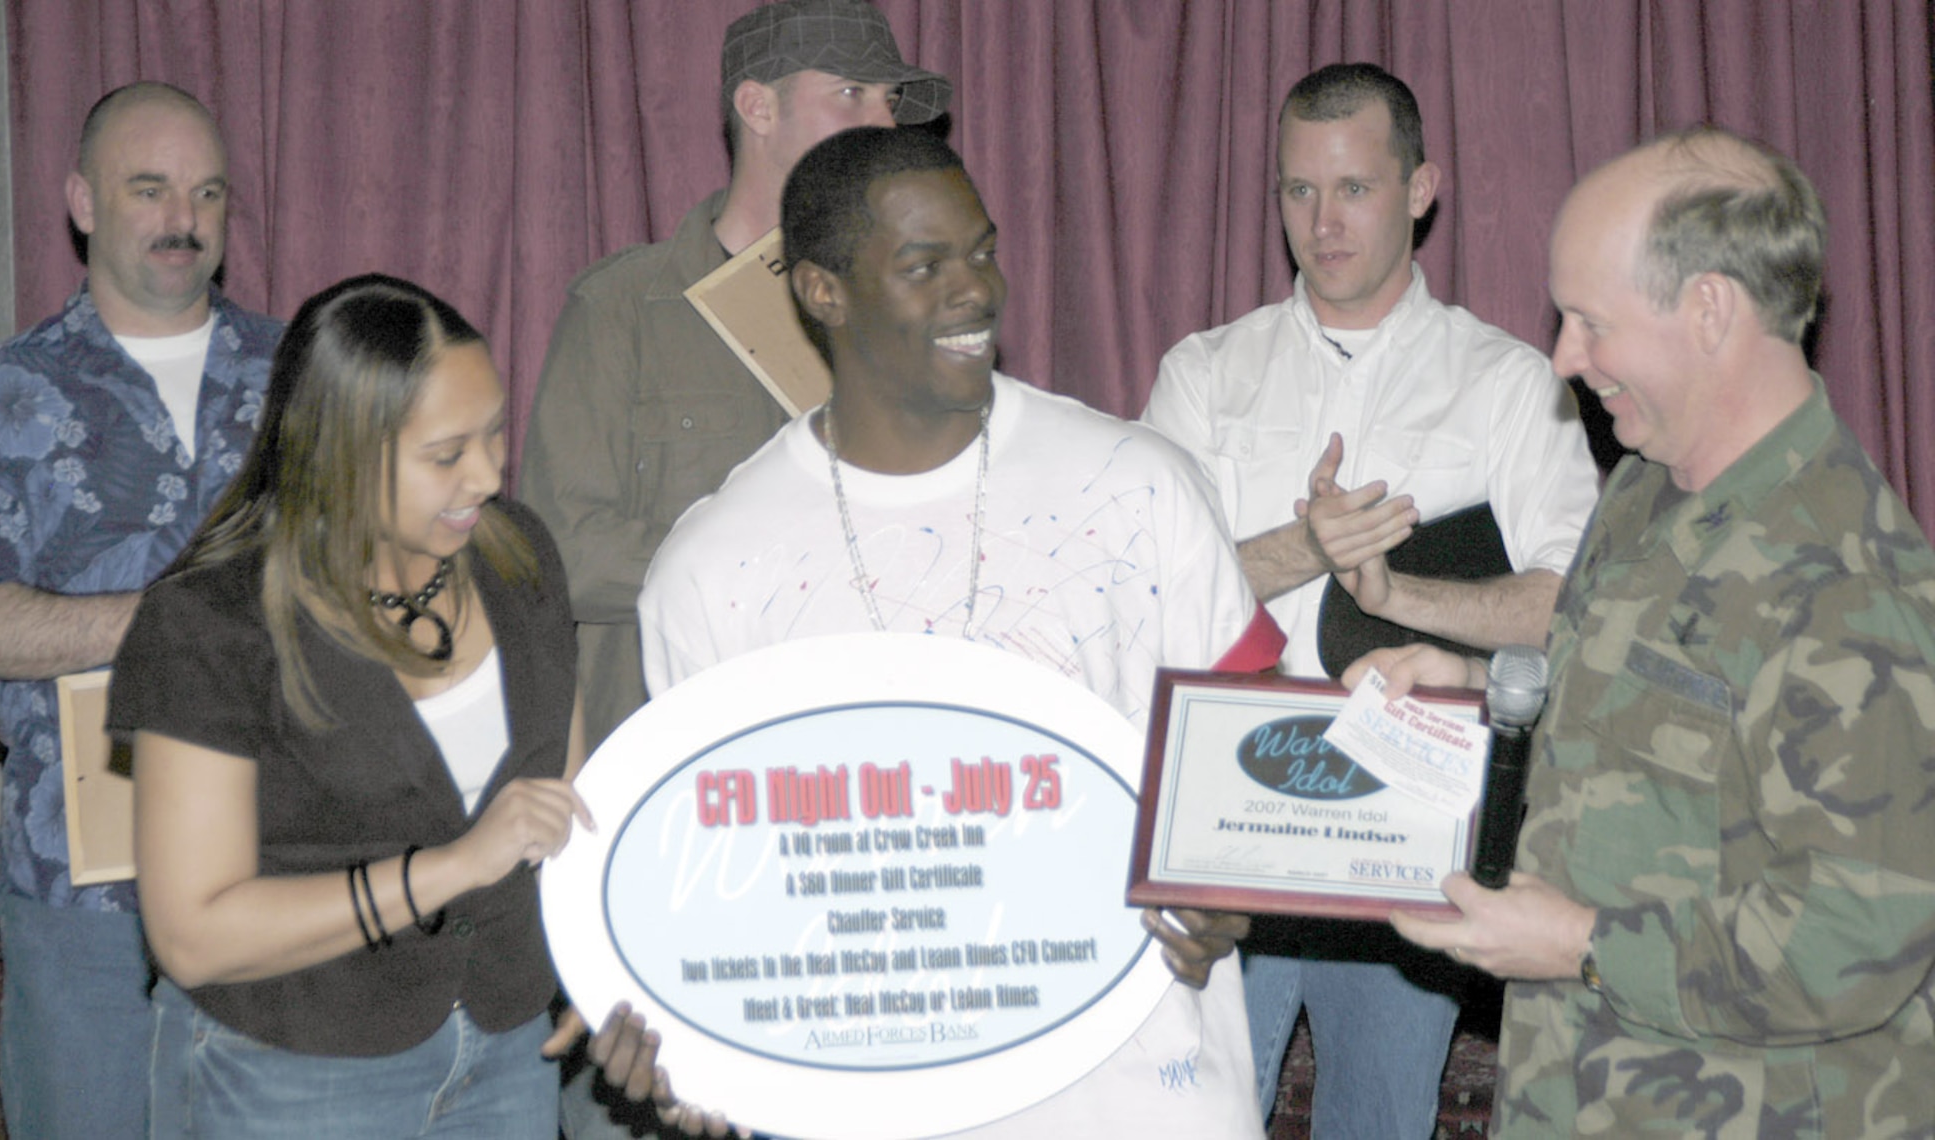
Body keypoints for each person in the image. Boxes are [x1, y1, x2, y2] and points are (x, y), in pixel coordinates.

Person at [640, 124, 1287, 1138]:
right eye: (921, 264)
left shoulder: (1137, 482)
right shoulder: (711, 571)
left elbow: (1250, 741)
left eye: (980, 250)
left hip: (1139, 1093)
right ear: (821, 291)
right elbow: (717, 876)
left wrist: (1222, 889)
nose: (973, 289)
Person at [1373, 128, 1935, 1137]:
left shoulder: (1847, 586)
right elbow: (1621, 706)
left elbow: (1854, 941)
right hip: (1576, 1090)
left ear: (1708, 310)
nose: (1561, 357)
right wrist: (1468, 684)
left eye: (1589, 321)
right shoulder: (1645, 483)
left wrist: (1580, 943)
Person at [108, 273, 693, 1137]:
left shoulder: (519, 559)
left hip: (504, 1048)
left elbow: (565, 821)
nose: (490, 474)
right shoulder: (209, 624)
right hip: (288, 1070)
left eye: (495, 433)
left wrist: (610, 981)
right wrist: (454, 865)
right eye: (447, 453)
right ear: (340, 452)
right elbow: (193, 933)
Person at [1140, 62, 1600, 1137]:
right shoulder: (1202, 373)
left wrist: (1398, 591)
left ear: (1420, 188)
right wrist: (1303, 544)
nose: (1322, 222)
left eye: (1352, 188)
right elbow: (1146, 588)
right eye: (1297, 191)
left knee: (1380, 1122)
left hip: (1402, 817)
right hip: (1223, 823)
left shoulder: (1507, 383)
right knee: (1189, 1118)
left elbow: (1571, 605)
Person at [0, 81, 281, 1138]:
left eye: (207, 192)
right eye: (150, 189)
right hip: (83, 897)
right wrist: (169, 618)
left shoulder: (307, 378)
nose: (183, 220)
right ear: (82, 199)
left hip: (290, 868)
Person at [519, 0, 951, 759]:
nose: (884, 125)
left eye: (892, 102)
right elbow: (565, 555)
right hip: (673, 749)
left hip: (860, 743)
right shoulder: (624, 307)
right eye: (852, 93)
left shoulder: (901, 311)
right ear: (757, 106)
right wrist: (774, 566)